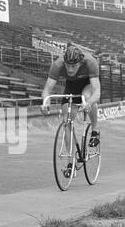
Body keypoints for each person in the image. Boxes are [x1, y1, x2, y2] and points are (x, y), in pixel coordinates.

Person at [42, 43, 101, 177]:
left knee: (87, 96)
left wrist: (89, 103)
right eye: (67, 65)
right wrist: (45, 103)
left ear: (80, 63)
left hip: (88, 83)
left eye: (73, 66)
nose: (69, 69)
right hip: (71, 85)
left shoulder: (90, 62)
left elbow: (97, 92)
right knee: (66, 120)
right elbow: (47, 90)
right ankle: (71, 162)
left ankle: (95, 130)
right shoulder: (58, 65)